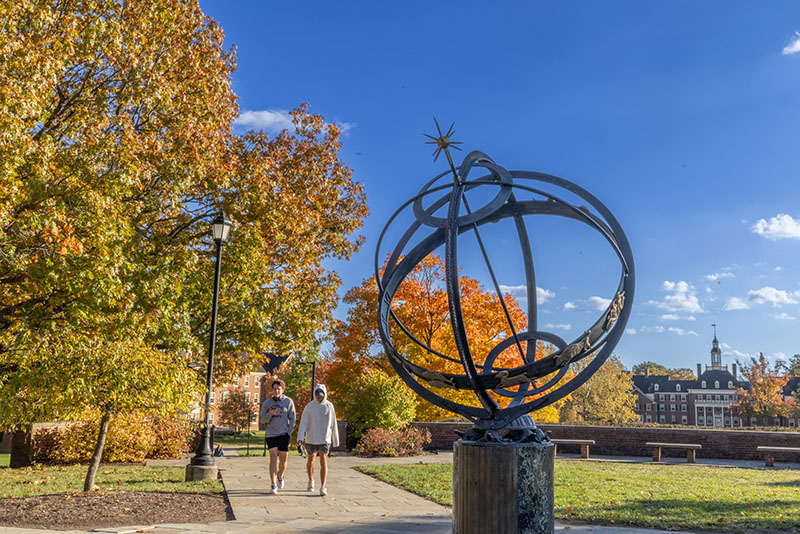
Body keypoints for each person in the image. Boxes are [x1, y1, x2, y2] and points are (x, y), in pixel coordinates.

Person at [297, 384, 339, 496]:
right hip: (311, 438)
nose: (319, 397)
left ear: (324, 394)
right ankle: (311, 481)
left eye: (321, 395)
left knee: (323, 461)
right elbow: (303, 423)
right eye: (317, 395)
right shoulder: (309, 407)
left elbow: (333, 423)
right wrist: (300, 437)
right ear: (314, 394)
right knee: (311, 461)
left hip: (325, 438)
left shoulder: (329, 406)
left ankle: (323, 486)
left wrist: (335, 440)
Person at [260, 378, 296, 495]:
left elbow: (293, 418)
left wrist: (289, 431)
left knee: (283, 460)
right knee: (273, 457)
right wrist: (270, 414)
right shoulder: (267, 403)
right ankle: (273, 484)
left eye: (279, 389)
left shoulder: (288, 402)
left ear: (282, 390)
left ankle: (280, 476)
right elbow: (262, 420)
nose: (276, 391)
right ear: (272, 390)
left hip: (284, 434)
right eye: (274, 389)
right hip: (271, 434)